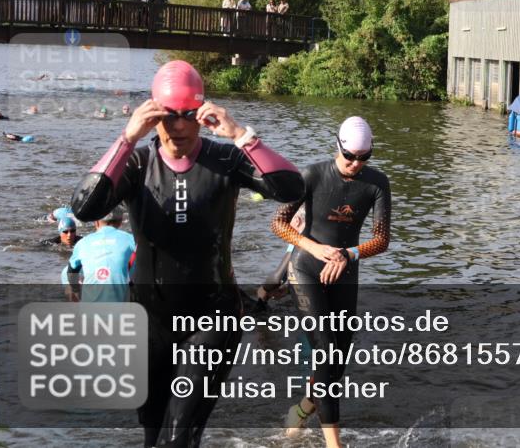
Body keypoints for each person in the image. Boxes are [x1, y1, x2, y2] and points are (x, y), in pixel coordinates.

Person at [70, 60, 304, 448]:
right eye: (168, 116)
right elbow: (84, 208)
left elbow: (291, 188)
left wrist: (242, 135)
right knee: (152, 432)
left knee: (179, 436)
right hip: (149, 320)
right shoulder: (137, 164)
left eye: (187, 115)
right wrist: (126, 138)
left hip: (212, 318)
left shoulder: (225, 160)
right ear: (153, 114)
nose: (178, 126)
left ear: (201, 113)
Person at [271, 116, 391, 447]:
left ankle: (304, 406)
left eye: (363, 158)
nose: (355, 163)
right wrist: (316, 248)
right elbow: (280, 223)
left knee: (338, 361)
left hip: (344, 270)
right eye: (350, 156)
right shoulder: (311, 175)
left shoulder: (377, 184)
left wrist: (347, 255)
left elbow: (381, 240)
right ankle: (334, 445)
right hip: (307, 267)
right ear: (338, 146)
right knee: (324, 353)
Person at [62, 205, 135, 302]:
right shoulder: (130, 240)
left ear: (95, 222)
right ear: (120, 221)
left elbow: (71, 272)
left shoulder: (82, 243)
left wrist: (76, 290)